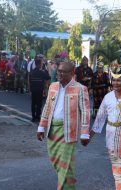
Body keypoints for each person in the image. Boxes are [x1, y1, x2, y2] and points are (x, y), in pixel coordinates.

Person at [37, 61, 90, 190]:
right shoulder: (53, 86)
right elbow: (47, 107)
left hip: (68, 131)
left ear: (72, 73)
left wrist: (84, 133)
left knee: (65, 164)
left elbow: (85, 112)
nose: (59, 74)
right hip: (52, 130)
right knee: (56, 161)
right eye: (58, 71)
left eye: (63, 72)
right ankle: (70, 186)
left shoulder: (80, 88)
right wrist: (41, 127)